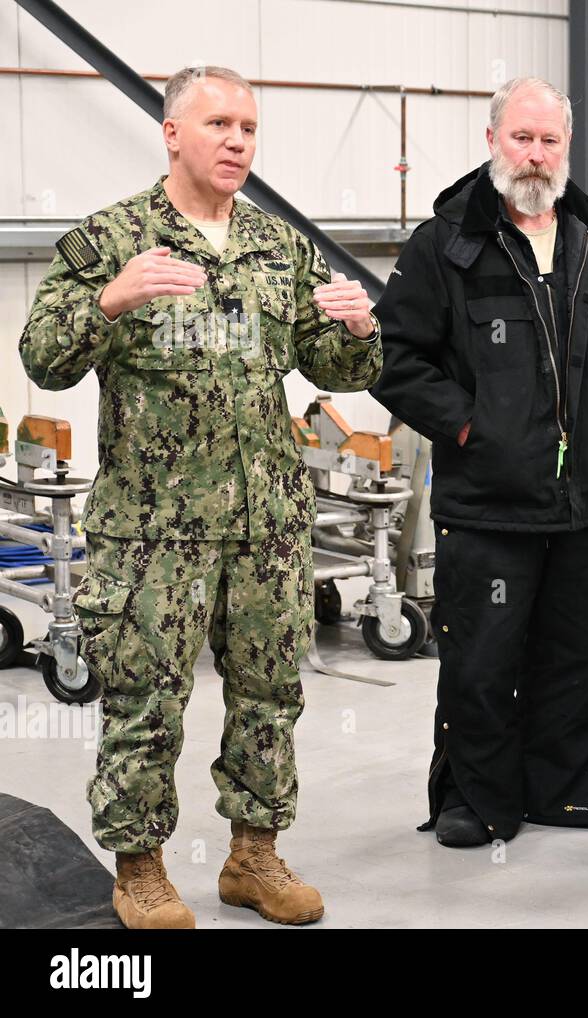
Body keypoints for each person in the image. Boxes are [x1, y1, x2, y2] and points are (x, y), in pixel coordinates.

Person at [20, 65, 382, 928]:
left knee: (269, 693)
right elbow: (42, 356)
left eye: (249, 128)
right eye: (218, 123)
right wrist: (108, 301)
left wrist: (358, 334)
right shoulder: (114, 240)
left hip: (267, 524)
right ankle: (140, 868)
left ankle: (253, 859)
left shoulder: (276, 245)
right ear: (172, 132)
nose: (237, 141)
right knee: (145, 700)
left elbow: (325, 366)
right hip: (153, 530)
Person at [371, 77, 588, 848]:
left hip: (585, 500)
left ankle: (568, 792)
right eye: (521, 139)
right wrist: (473, 430)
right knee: (482, 654)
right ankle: (476, 798)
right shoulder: (446, 244)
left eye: (550, 141)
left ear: (566, 147)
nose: (535, 156)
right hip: (488, 499)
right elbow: (397, 359)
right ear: (492, 139)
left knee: (575, 651)